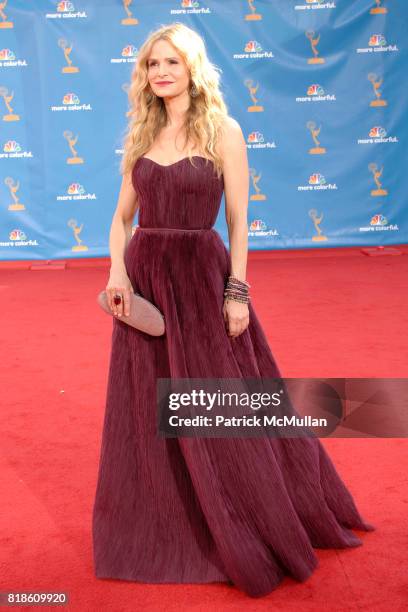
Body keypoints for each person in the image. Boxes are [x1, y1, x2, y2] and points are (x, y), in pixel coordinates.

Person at [92, 22, 374, 599]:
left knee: (221, 405)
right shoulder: (141, 134)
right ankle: (164, 521)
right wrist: (118, 272)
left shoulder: (224, 131)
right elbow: (121, 220)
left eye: (171, 62)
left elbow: (240, 222)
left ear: (193, 67)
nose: (161, 73)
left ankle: (248, 515)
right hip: (146, 282)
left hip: (200, 277)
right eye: (152, 65)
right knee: (149, 406)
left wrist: (237, 290)